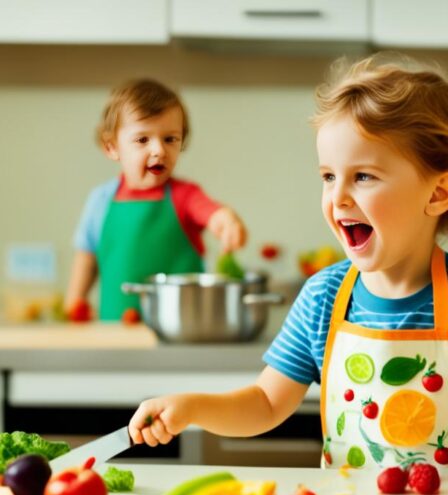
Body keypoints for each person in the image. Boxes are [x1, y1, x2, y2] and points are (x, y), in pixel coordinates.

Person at [129, 54, 448, 469]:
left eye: (364, 176)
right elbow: (264, 403)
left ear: (438, 193)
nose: (338, 198)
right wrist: (191, 408)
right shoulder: (324, 297)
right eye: (329, 177)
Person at [65, 79, 247, 320]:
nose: (159, 150)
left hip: (180, 337)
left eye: (170, 139)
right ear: (111, 147)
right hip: (115, 334)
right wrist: (73, 302)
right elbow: (86, 258)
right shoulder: (100, 200)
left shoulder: (186, 196)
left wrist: (226, 220)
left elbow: (212, 213)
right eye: (142, 140)